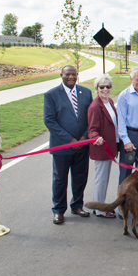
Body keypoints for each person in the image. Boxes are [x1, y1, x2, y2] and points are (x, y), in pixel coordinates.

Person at [43, 65, 93, 225]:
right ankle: (58, 210)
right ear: (61, 75)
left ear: (78, 75)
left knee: (80, 177)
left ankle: (77, 205)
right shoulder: (51, 95)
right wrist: (70, 140)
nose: (71, 77)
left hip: (82, 145)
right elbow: (49, 120)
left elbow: (92, 117)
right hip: (62, 146)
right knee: (60, 180)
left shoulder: (86, 92)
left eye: (74, 74)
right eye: (67, 74)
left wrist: (84, 137)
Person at [87, 74, 120, 219]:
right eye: (102, 87)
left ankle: (100, 205)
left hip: (111, 147)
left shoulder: (110, 102)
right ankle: (99, 209)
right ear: (96, 89)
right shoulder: (95, 106)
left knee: (105, 178)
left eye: (108, 86)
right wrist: (96, 138)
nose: (105, 89)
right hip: (102, 149)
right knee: (101, 179)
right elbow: (92, 129)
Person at [116, 67, 138, 186]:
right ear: (131, 78)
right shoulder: (124, 96)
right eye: (137, 80)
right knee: (126, 171)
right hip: (130, 135)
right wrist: (125, 140)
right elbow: (121, 120)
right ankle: (122, 201)